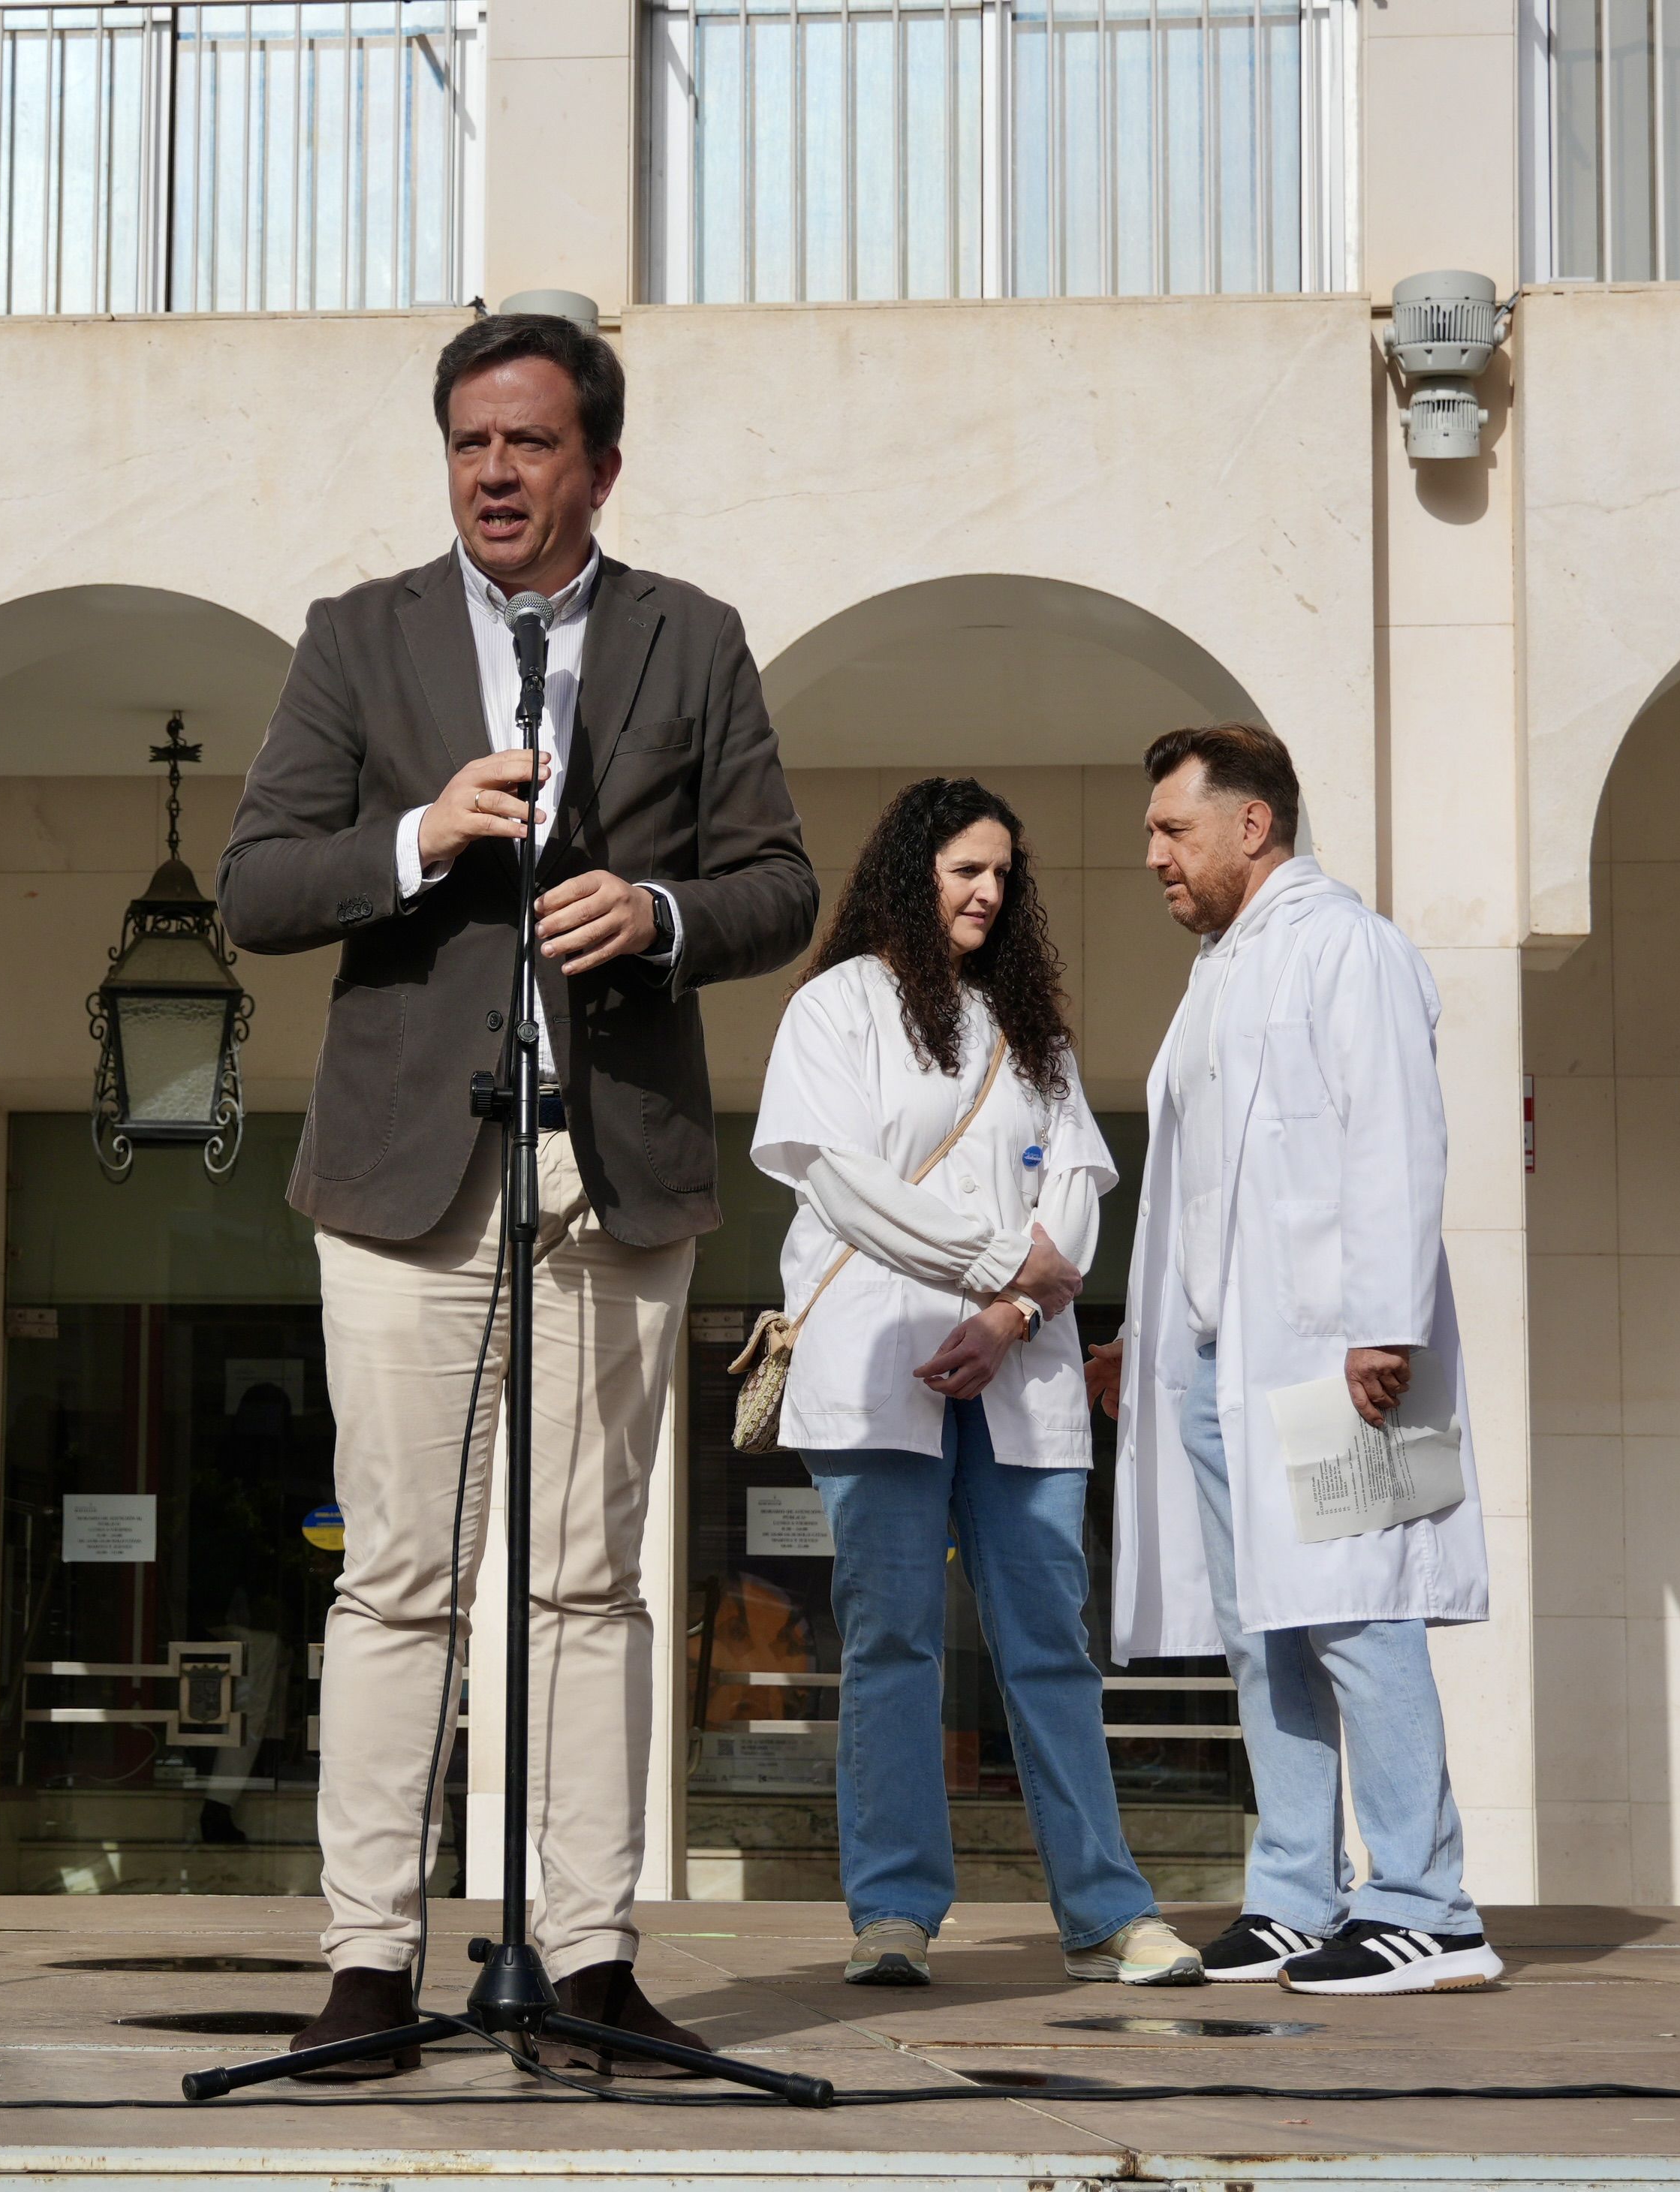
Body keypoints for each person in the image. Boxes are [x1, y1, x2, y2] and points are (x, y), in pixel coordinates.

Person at [218, 309, 817, 2076]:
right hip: (408, 1164)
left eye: (529, 443)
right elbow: (255, 887)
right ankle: (362, 1962)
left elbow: (778, 883)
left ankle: (587, 1951)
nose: (492, 470)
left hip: (610, 1154)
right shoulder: (358, 637)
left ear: (599, 465)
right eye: (469, 442)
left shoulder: (688, 639)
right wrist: (420, 836)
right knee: (396, 1575)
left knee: (588, 1582)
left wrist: (663, 913)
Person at [752, 778, 1203, 1991]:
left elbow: (1080, 1192)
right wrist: (999, 1262)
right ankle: (894, 1913)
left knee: (1050, 1643)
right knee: (893, 1641)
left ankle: (1107, 1911)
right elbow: (840, 1183)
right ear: (913, 872)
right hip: (876, 1362)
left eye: (1005, 875)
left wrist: (1009, 1312)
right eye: (966, 869)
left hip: (1023, 1372)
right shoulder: (836, 1008)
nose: (990, 892)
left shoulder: (1029, 1025)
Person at [1085, 724, 1501, 1997]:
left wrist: (1386, 1321)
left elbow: (1396, 1133)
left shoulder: (1347, 946)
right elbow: (1202, 1188)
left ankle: (1430, 1904)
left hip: (1334, 1355)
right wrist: (1147, 1331)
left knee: (1362, 1616)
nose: (1152, 855)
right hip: (1221, 1362)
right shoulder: (1222, 971)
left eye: (1173, 830)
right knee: (1263, 1628)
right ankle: (1296, 1896)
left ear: (1252, 826)